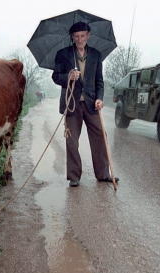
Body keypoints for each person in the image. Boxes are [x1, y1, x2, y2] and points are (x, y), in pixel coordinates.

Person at [52, 21, 119, 187]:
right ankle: (74, 176)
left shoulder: (96, 55)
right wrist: (68, 77)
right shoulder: (63, 53)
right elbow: (55, 76)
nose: (80, 39)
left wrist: (100, 98)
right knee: (72, 141)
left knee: (100, 138)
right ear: (72, 37)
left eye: (83, 35)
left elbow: (99, 81)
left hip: (91, 105)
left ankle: (103, 174)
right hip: (72, 104)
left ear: (88, 35)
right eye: (76, 36)